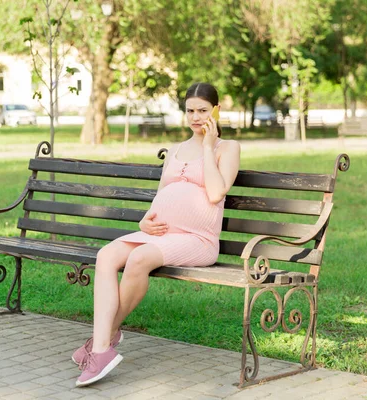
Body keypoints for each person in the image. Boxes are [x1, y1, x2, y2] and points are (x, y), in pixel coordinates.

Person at [73, 82, 241, 387]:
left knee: (138, 258)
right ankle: (102, 347)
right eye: (190, 110)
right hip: (162, 235)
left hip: (198, 240)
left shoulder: (227, 149)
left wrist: (207, 146)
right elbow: (162, 195)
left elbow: (216, 193)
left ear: (216, 110)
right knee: (106, 255)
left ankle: (102, 343)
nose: (195, 117)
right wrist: (144, 222)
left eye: (202, 110)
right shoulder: (176, 149)